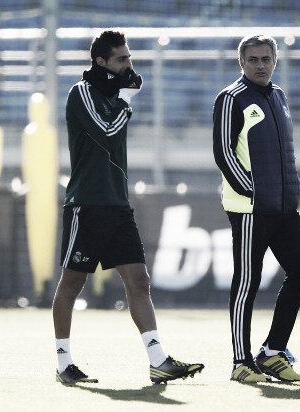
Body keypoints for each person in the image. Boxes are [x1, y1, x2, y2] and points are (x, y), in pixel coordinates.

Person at [52, 30, 204, 385]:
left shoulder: (113, 94)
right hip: (86, 204)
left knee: (139, 280)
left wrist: (121, 96)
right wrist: (126, 99)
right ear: (101, 62)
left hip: (117, 204)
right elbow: (106, 132)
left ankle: (158, 360)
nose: (129, 65)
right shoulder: (83, 93)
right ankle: (63, 364)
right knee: (72, 283)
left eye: (129, 57)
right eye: (121, 59)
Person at [212, 34, 300, 383]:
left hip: (284, 206)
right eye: (252, 59)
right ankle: (241, 362)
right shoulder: (231, 98)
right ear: (240, 63)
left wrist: (292, 189)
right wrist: (253, 191)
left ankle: (272, 352)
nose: (260, 65)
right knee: (247, 281)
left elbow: (285, 150)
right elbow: (224, 153)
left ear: (275, 61)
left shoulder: (279, 96)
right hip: (250, 209)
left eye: (266, 59)